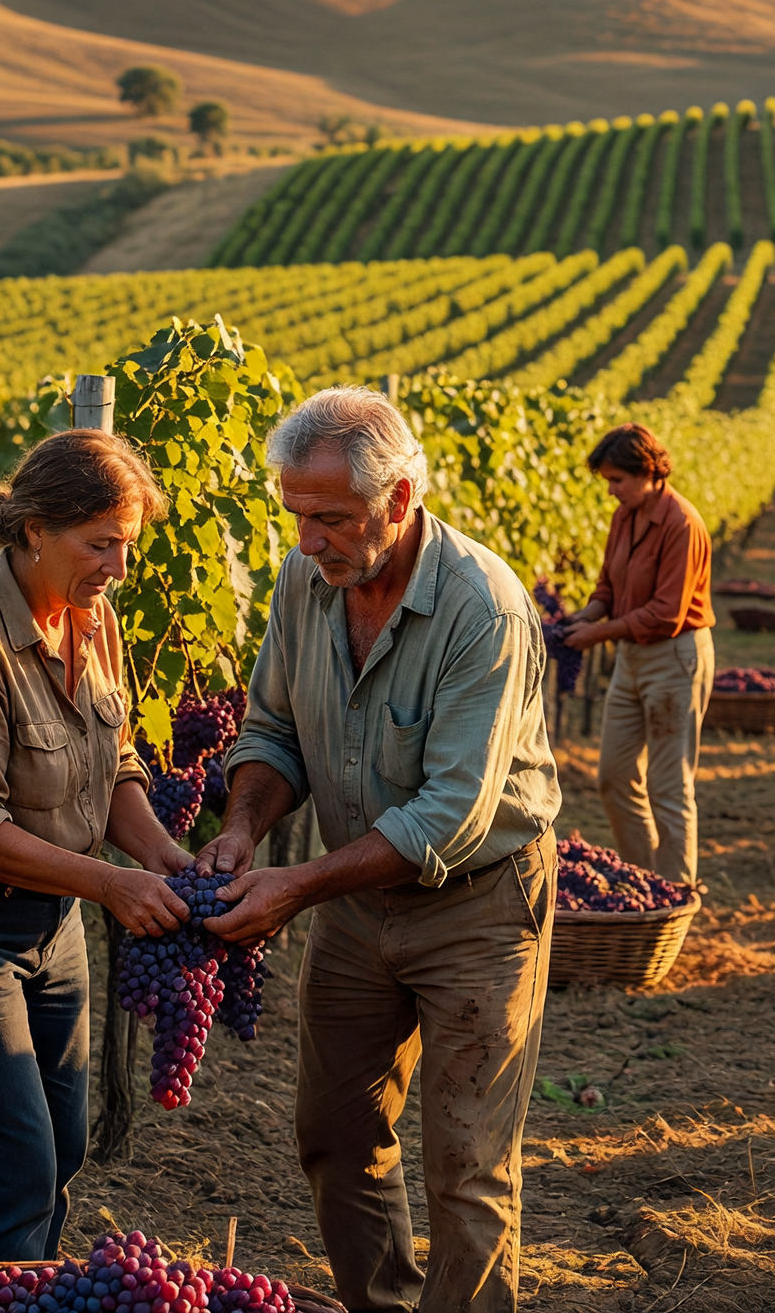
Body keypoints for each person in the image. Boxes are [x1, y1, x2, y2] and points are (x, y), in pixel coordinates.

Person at [194, 385, 560, 1313]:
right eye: (296, 517)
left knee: (468, 1167)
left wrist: (298, 885)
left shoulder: (485, 608)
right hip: (354, 899)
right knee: (335, 1134)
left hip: (475, 909)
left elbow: (449, 819)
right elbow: (273, 729)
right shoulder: (304, 581)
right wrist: (243, 827)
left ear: (399, 501)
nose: (308, 540)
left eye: (331, 518)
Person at [0, 429, 187, 1264]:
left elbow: (116, 761)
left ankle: (25, 1286)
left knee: (61, 1152)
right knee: (14, 1169)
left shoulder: (96, 620)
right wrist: (112, 886)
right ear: (31, 531)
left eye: (126, 546)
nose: (118, 569)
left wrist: (160, 855)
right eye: (101, 545)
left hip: (56, 926)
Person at [561, 422, 715, 883]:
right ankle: (645, 881)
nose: (611, 491)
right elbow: (608, 585)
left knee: (669, 787)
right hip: (630, 657)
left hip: (674, 658)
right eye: (607, 480)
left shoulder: (681, 524)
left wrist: (598, 633)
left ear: (648, 471)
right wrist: (586, 616)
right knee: (613, 776)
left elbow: (667, 613)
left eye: (617, 480)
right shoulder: (624, 517)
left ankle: (676, 894)